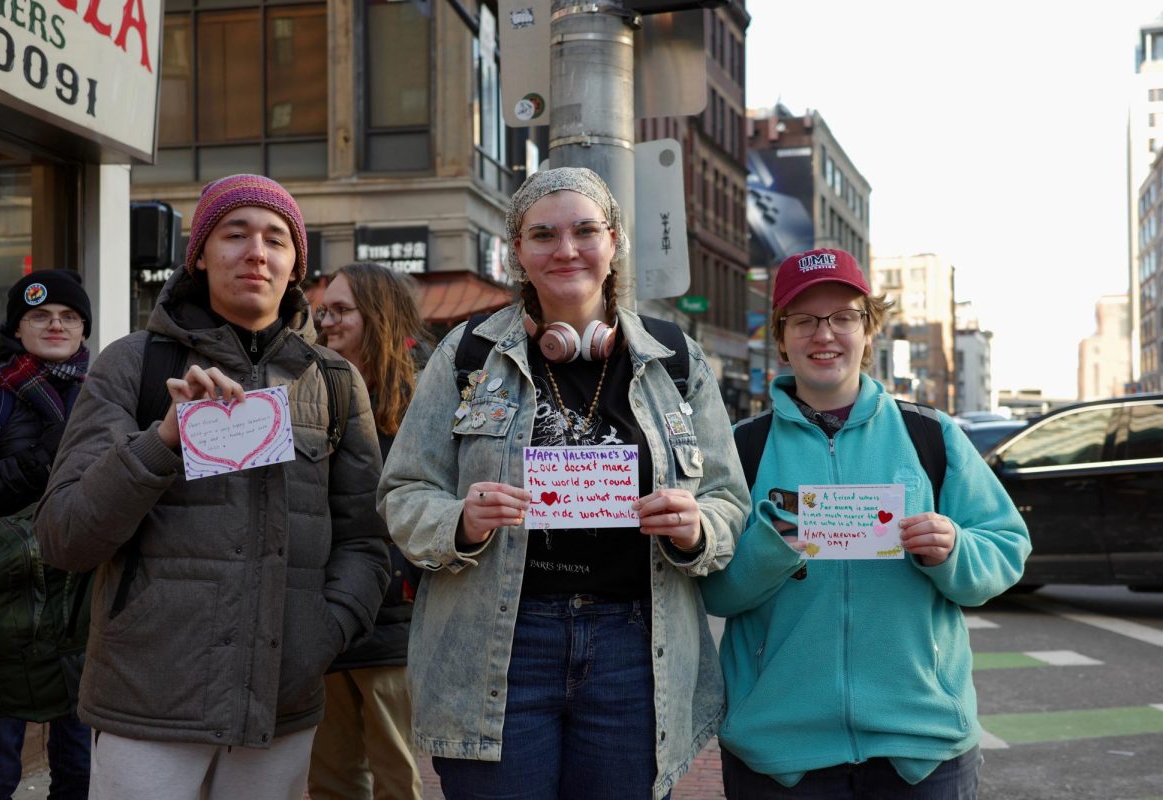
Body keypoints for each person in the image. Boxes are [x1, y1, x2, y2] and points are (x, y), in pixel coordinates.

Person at [377, 166, 750, 800]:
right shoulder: (465, 355)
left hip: (634, 647)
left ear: (615, 241)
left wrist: (696, 529)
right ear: (517, 250)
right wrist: (459, 522)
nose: (566, 249)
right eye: (543, 234)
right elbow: (404, 493)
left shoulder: (675, 360)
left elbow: (727, 501)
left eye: (585, 230)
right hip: (500, 643)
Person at [33, 174, 391, 800]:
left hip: (281, 700)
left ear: (293, 265)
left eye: (276, 240)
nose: (257, 252)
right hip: (149, 700)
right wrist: (162, 441)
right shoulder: (132, 364)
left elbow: (366, 541)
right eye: (235, 234)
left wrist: (323, 631)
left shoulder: (334, 383)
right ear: (198, 254)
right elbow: (65, 537)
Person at [700, 248, 1032, 799]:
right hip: (781, 752)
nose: (823, 334)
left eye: (843, 317)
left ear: (868, 330)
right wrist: (772, 550)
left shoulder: (931, 434)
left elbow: (1006, 549)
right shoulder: (742, 448)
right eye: (803, 320)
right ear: (780, 338)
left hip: (921, 745)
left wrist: (952, 550)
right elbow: (713, 590)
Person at [0, 270, 94, 800]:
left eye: (68, 316)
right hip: (5, 610)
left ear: (84, 328)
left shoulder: (108, 394)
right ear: (18, 327)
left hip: (82, 604)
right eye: (40, 316)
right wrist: (42, 460)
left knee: (80, 765)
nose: (55, 325)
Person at [307, 262, 431, 800]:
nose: (327, 322)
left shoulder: (426, 399)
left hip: (391, 620)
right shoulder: (308, 386)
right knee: (330, 779)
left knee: (395, 777)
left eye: (341, 311)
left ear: (377, 316)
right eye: (322, 311)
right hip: (320, 616)